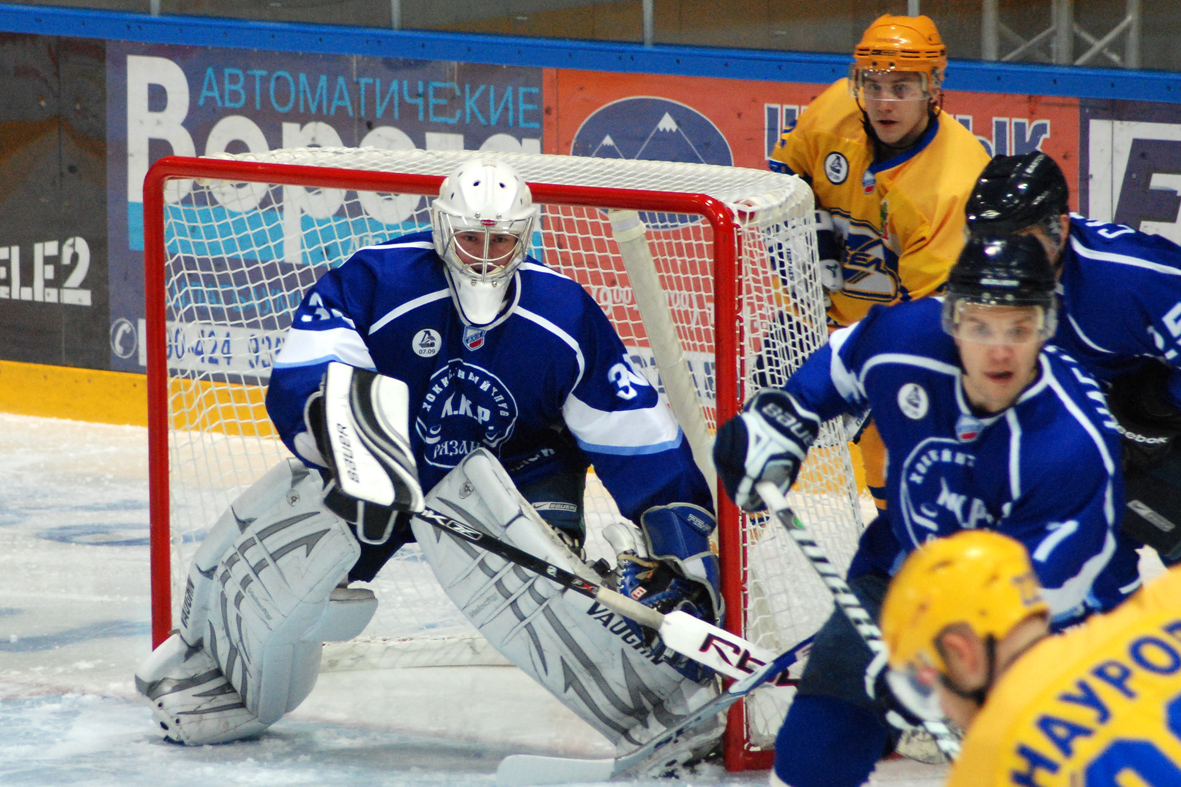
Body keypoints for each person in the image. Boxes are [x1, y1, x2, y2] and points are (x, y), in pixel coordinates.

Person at [134, 158, 725, 765]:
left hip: (520, 469)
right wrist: (343, 440)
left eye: (503, 240)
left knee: (546, 583)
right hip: (392, 466)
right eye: (472, 238)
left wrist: (685, 543)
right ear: (443, 229)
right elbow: (309, 368)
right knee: (313, 538)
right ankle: (220, 665)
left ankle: (663, 703)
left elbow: (636, 435)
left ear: (526, 236)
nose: (486, 256)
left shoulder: (564, 312)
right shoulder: (380, 278)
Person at [712, 233, 1142, 787]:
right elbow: (843, 361)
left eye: (1019, 327)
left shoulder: (1071, 443)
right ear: (953, 320)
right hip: (902, 570)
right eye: (981, 325)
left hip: (1043, 623)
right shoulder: (907, 338)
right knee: (812, 758)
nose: (999, 350)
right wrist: (787, 415)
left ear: (1047, 326)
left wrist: (935, 661)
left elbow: (1047, 591)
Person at [768, 13, 991, 513]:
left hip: (902, 328)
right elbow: (781, 180)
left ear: (933, 86)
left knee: (894, 460)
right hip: (810, 319)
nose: (884, 100)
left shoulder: (954, 181)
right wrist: (803, 244)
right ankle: (724, 562)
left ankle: (912, 565)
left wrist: (865, 370)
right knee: (764, 436)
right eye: (873, 83)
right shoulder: (832, 113)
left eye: (903, 85)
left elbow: (924, 315)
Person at [966, 150, 1181, 565]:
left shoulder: (1124, 279)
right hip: (1098, 449)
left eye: (1020, 242)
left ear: (1060, 228)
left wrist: (1160, 406)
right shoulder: (978, 282)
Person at [880, 529, 1181, 786]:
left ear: (962, 652)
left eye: (928, 686)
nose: (945, 708)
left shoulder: (984, 768)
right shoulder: (1165, 603)